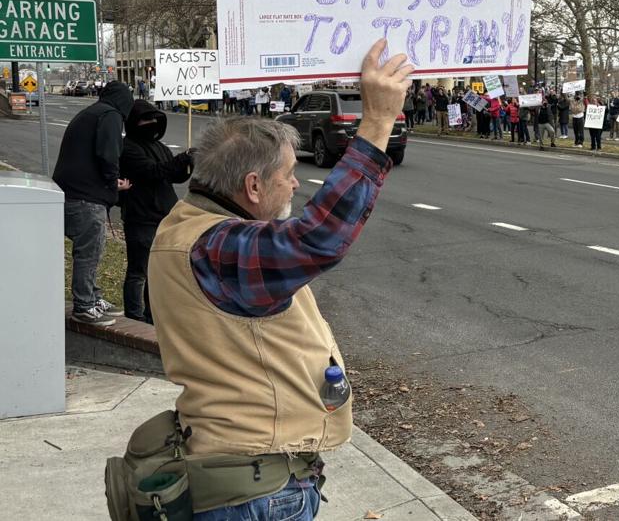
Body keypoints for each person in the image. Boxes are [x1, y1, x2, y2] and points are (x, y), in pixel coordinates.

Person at [142, 39, 413, 521]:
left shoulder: (186, 224)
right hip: (256, 488)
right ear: (252, 186)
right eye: (288, 175)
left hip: (240, 475)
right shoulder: (215, 248)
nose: (296, 184)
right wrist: (377, 124)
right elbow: (318, 239)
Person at [54, 81, 135, 327]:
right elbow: (108, 153)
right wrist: (113, 183)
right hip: (86, 197)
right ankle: (85, 306)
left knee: (91, 249)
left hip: (72, 191)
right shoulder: (110, 116)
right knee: (89, 251)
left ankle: (93, 296)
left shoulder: (92, 112)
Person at [118, 100, 194, 323]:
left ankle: (152, 315)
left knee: (157, 271)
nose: (151, 124)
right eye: (146, 120)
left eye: (154, 120)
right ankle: (133, 316)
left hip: (164, 216)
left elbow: (171, 175)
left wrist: (186, 166)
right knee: (139, 270)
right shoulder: (129, 147)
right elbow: (152, 171)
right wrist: (181, 159)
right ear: (134, 122)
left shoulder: (159, 147)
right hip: (141, 217)